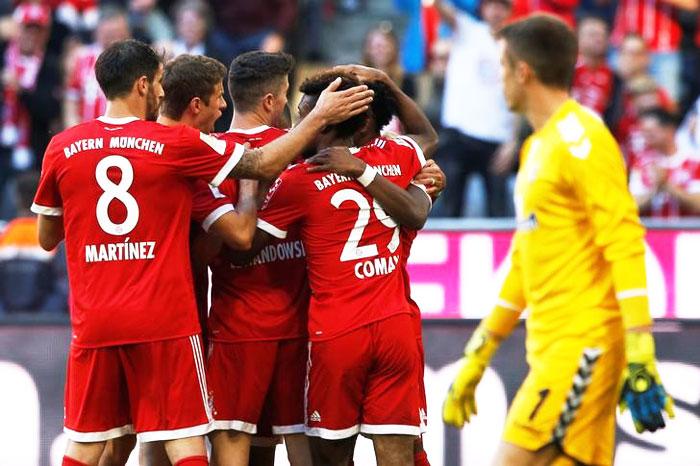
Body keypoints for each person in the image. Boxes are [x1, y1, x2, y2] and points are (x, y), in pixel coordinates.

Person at [31, 38, 372, 466]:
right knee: (185, 438)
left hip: (95, 319)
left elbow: (48, 236)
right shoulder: (174, 144)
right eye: (156, 83)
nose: (160, 92)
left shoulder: (62, 147)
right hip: (164, 319)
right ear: (141, 85)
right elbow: (261, 165)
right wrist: (319, 117)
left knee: (91, 442)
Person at [442, 14, 674, 466]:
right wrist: (479, 351)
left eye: (503, 67)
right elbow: (525, 263)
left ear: (523, 70)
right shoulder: (536, 148)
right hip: (550, 350)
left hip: (581, 347)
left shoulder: (582, 137)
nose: (500, 80)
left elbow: (623, 239)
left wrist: (641, 349)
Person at [242, 71, 432, 466]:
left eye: (310, 118)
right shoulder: (399, 156)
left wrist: (248, 193)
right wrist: (386, 83)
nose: (300, 126)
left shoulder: (299, 179)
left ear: (328, 124)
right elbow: (426, 137)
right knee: (399, 455)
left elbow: (245, 249)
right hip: (394, 324)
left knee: (329, 457)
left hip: (337, 333)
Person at [187, 51, 312, 466]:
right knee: (302, 443)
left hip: (237, 325)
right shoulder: (302, 151)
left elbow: (202, 251)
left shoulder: (209, 154)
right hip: (300, 325)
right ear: (272, 102)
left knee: (234, 439)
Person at [432, 0, 516, 218]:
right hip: (459, 135)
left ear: (509, 10)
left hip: (498, 141)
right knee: (450, 210)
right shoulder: (468, 30)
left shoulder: (516, 46)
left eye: (501, 6)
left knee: (499, 213)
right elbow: (441, 7)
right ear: (483, 9)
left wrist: (513, 142)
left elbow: (520, 98)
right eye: (491, 5)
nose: (496, 11)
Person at [0, 171, 67, 313]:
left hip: (6, 318)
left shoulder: (4, 235)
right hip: (47, 319)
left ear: (16, 198)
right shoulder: (54, 238)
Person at [63, 6, 131, 128]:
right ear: (97, 32)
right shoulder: (81, 58)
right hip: (86, 138)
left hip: (124, 138)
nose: (113, 40)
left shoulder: (137, 60)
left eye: (117, 34)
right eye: (109, 34)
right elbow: (71, 100)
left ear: (127, 33)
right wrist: (74, 132)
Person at [629, 107, 700, 217]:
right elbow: (632, 205)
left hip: (688, 233)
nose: (646, 137)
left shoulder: (694, 160)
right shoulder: (641, 163)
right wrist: (654, 190)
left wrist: (668, 186)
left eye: (651, 132)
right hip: (652, 232)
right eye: (643, 132)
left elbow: (698, 203)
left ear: (669, 130)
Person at [572, 15, 624, 129]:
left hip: (600, 134)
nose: (599, 39)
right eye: (592, 34)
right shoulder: (565, 71)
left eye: (603, 35)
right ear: (577, 38)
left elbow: (615, 115)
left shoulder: (615, 78)